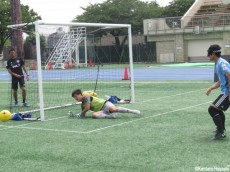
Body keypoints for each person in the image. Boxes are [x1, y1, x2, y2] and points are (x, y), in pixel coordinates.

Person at [205, 44, 230, 140]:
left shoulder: (221, 63)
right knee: (217, 109)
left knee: (212, 109)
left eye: (209, 54)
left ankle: (221, 131)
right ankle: (221, 129)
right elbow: (221, 81)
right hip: (226, 91)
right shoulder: (218, 63)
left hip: (227, 92)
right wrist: (210, 88)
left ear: (213, 54)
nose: (208, 56)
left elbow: (229, 75)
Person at [71, 89, 140, 119]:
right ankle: (111, 116)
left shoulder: (86, 96)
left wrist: (80, 114)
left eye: (76, 96)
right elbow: (83, 113)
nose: (76, 99)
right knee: (94, 115)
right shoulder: (82, 104)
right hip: (101, 110)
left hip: (105, 104)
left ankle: (133, 111)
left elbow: (87, 108)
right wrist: (77, 115)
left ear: (80, 94)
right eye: (74, 98)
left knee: (113, 109)